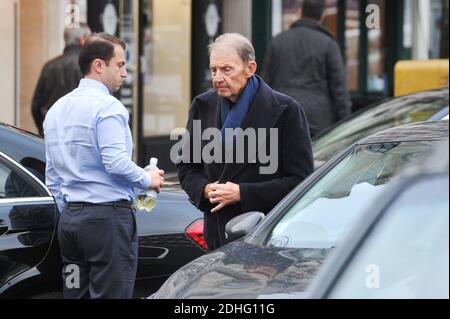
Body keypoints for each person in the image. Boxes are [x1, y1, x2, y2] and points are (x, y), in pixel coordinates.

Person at [43, 33, 164, 299]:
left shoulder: (56, 110)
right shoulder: (109, 107)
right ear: (99, 65)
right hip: (106, 222)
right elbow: (116, 163)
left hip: (71, 222)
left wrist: (71, 209)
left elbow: (52, 175)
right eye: (119, 65)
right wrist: (148, 180)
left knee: (75, 295)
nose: (124, 73)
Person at [177, 33, 314, 251]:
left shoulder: (287, 110)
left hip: (266, 235)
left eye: (226, 69)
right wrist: (204, 189)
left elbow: (301, 180)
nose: (218, 78)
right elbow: (186, 167)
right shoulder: (202, 105)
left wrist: (242, 193)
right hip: (217, 235)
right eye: (214, 70)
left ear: (250, 68)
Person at [262, 0, 351, 137]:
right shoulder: (328, 44)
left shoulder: (277, 42)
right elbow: (339, 90)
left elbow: (265, 84)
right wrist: (347, 125)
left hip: (281, 114)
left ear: (300, 13)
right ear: (322, 16)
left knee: (281, 157)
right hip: (317, 120)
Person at [31, 24, 92, 136]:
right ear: (83, 40)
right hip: (78, 134)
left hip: (51, 132)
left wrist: (42, 129)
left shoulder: (49, 66)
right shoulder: (88, 67)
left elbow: (36, 105)